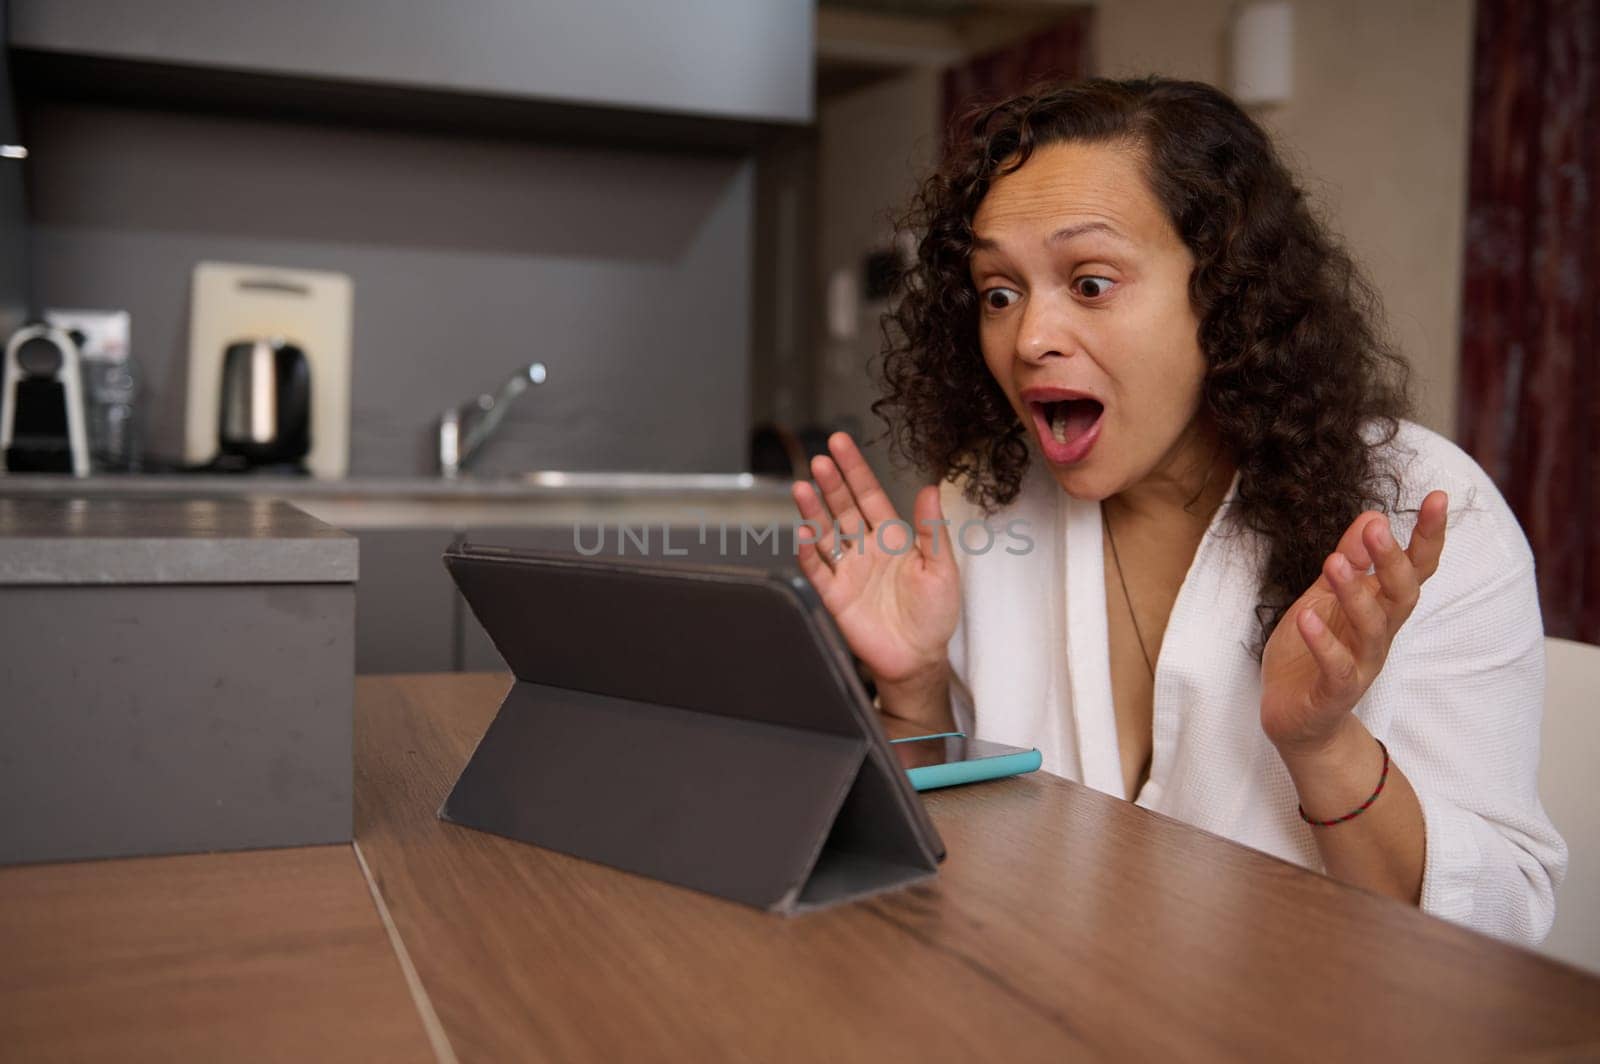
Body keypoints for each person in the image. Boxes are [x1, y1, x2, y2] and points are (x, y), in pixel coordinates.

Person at [789, 77, 1564, 946]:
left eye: (1089, 283)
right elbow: (953, 852)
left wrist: (1322, 747)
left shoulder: (1421, 511)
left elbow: (1502, 926)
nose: (1030, 335)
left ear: (1223, 292)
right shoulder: (989, 506)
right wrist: (911, 685)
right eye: (998, 292)